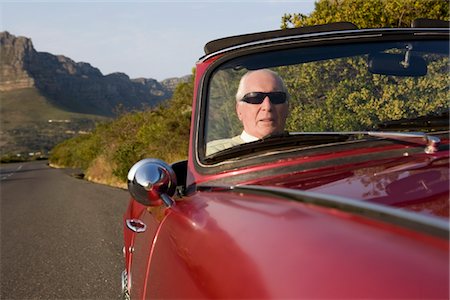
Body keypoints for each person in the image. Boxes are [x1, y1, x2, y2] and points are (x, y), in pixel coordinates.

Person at [206, 69, 289, 155]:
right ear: (239, 110)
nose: (267, 106)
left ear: (287, 108)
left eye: (276, 97)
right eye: (255, 98)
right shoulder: (215, 155)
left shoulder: (302, 148)